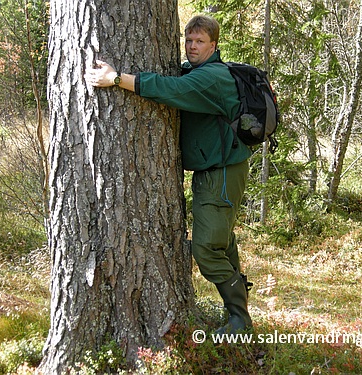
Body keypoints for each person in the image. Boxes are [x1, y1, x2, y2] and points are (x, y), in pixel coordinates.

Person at [85, 15, 252, 334]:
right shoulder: (198, 70)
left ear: (213, 45)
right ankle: (239, 314)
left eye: (199, 41)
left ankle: (239, 320)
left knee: (206, 247)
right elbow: (179, 78)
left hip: (223, 171)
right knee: (222, 242)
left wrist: (117, 78)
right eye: (188, 40)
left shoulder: (212, 77)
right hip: (214, 169)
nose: (192, 47)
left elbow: (171, 88)